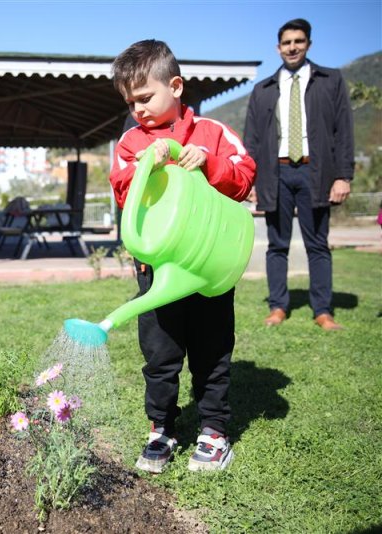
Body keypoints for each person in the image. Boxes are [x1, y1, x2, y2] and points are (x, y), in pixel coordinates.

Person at [109, 40, 256, 473]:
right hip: (157, 271)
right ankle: (161, 428)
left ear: (175, 86)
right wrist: (145, 167)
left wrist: (209, 164)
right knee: (160, 352)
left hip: (208, 266)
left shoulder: (212, 133)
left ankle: (213, 431)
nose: (138, 109)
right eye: (130, 102)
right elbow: (122, 190)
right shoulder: (131, 141)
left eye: (145, 97)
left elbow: (244, 178)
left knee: (212, 350)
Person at [244, 18, 354, 331]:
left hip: (315, 172)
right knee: (276, 245)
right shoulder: (262, 90)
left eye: (299, 41)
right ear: (278, 47)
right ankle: (278, 306)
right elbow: (251, 139)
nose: (293, 47)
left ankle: (323, 311)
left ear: (308, 44)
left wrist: (343, 175)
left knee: (317, 244)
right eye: (287, 42)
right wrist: (251, 180)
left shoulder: (330, 81)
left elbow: (343, 131)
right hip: (274, 173)